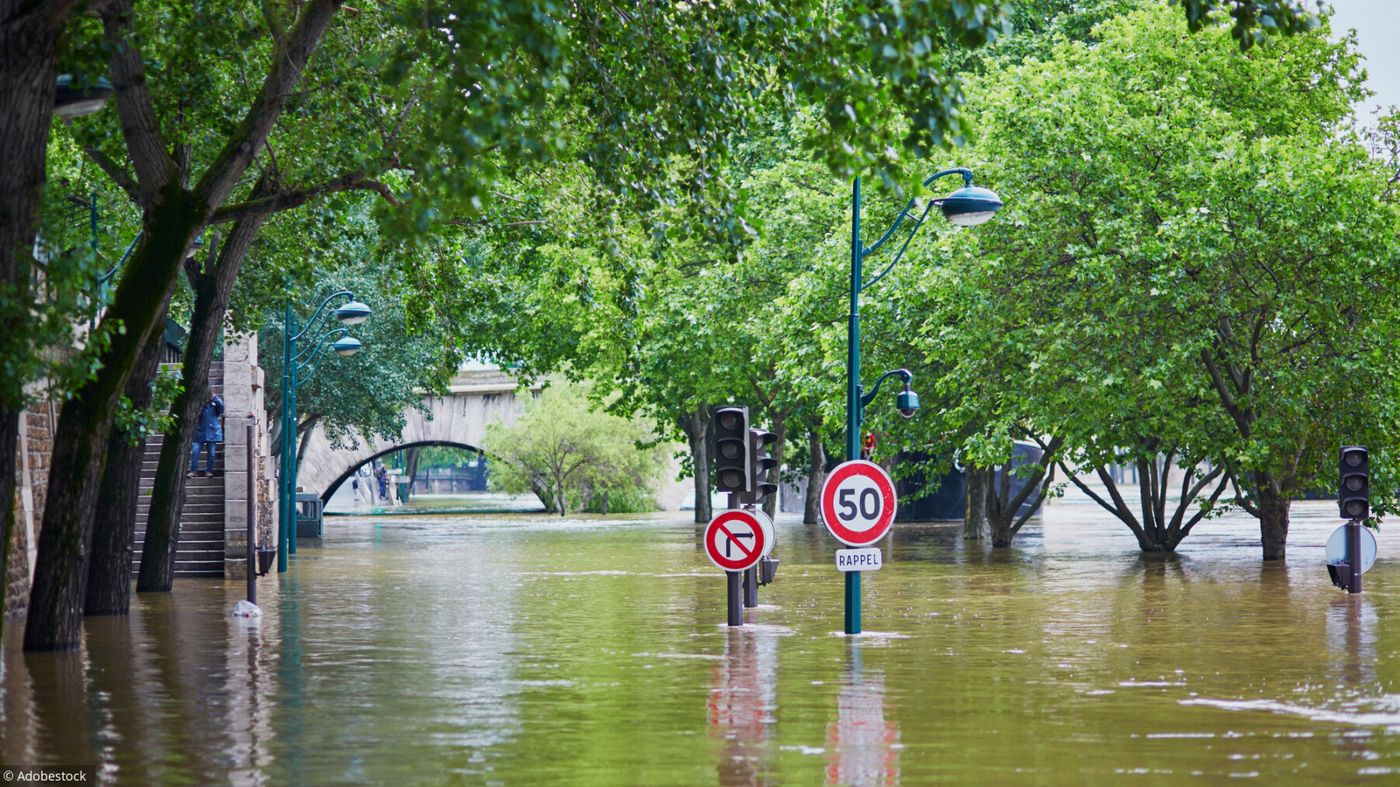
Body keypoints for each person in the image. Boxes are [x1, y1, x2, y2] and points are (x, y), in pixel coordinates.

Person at [188, 392, 225, 478]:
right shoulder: (199, 404)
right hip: (199, 432)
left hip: (212, 433)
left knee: (211, 453)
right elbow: (194, 413)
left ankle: (209, 471)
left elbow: (221, 409)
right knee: (195, 452)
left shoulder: (215, 404)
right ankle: (193, 471)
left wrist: (215, 398)